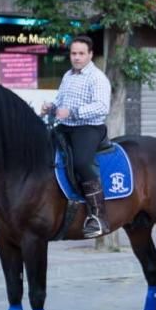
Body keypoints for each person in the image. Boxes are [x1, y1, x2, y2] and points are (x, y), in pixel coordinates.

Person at [41, 35, 112, 237]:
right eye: (74, 53)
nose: (77, 57)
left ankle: (99, 216)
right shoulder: (68, 76)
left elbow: (101, 107)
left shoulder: (97, 78)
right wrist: (52, 108)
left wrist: (72, 112)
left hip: (89, 128)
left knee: (81, 162)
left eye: (81, 53)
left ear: (90, 54)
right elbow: (61, 102)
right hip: (65, 126)